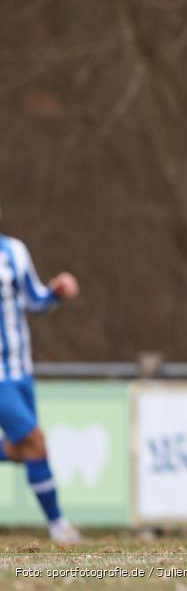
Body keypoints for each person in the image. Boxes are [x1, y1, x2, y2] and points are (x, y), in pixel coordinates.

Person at [0, 207, 81, 543]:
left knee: (26, 449)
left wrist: (56, 292)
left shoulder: (14, 251)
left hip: (22, 370)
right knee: (36, 442)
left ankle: (57, 525)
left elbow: (31, 301)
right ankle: (58, 525)